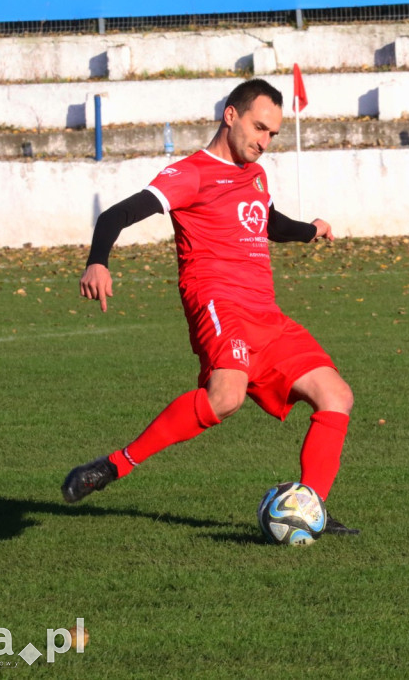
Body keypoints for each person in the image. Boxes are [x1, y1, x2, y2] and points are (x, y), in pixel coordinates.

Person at [62, 78, 358, 535]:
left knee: (336, 395)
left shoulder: (255, 175)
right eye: (260, 128)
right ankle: (116, 465)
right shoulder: (191, 173)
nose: (265, 142)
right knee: (225, 398)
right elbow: (114, 215)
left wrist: (311, 230)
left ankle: (309, 505)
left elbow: (270, 224)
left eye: (273, 134)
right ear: (231, 115)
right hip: (218, 304)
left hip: (267, 315)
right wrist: (97, 263)